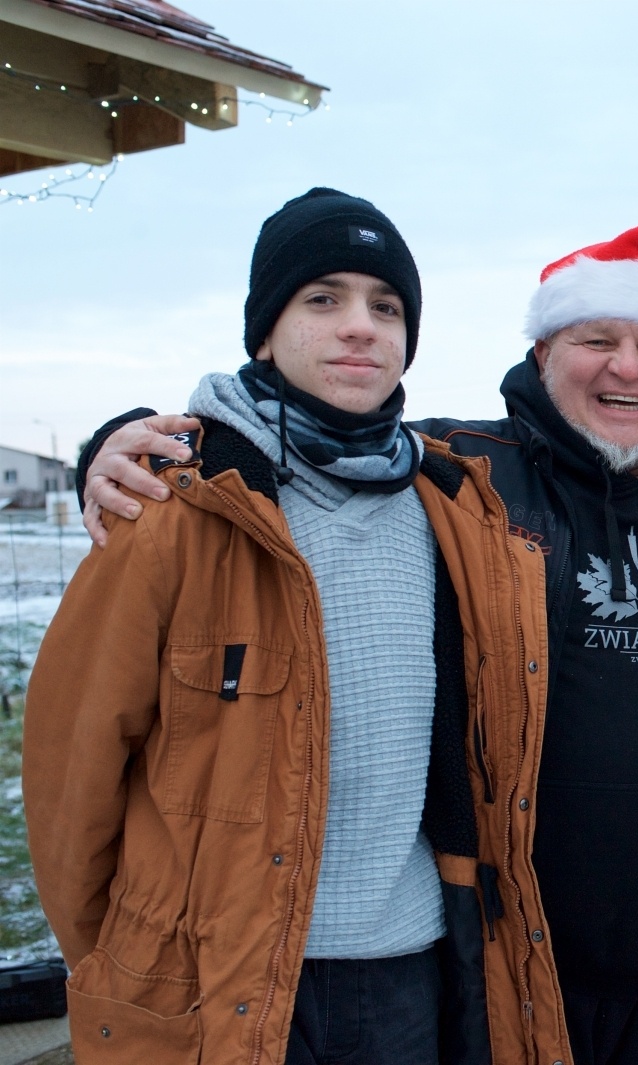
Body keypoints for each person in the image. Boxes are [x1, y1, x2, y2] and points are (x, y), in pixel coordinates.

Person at [74, 219, 638, 1065]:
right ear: (542, 353)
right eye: (597, 338)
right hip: (513, 959)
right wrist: (121, 443)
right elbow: (312, 439)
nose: (627, 365)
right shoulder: (459, 474)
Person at [24, 188, 549, 1065]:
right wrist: (126, 964)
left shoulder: (455, 511)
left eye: (386, 308)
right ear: (264, 330)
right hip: (225, 978)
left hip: (412, 975)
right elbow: (71, 781)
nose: (360, 326)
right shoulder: (174, 508)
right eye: (323, 298)